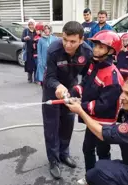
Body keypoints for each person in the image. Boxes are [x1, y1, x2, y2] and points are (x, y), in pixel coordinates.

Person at [65, 76, 128, 185]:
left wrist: (81, 111)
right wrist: (80, 102)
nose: (122, 97)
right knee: (101, 167)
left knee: (100, 171)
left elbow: (103, 134)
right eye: (123, 92)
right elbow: (107, 115)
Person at [67, 30, 125, 184]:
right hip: (91, 119)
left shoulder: (113, 77)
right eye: (95, 45)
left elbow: (103, 106)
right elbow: (85, 83)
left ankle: (103, 179)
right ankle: (90, 178)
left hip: (104, 124)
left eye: (100, 47)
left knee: (103, 153)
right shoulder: (95, 65)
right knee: (87, 149)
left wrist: (81, 106)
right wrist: (74, 91)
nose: (95, 49)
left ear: (111, 51)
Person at [41, 21, 93, 179]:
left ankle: (64, 154)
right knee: (52, 128)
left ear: (81, 40)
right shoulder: (54, 50)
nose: (67, 45)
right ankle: (54, 160)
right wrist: (57, 86)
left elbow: (87, 77)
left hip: (71, 90)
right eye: (64, 39)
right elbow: (49, 76)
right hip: (52, 90)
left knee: (67, 125)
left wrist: (80, 91)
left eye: (72, 41)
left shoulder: (87, 52)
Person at [21, 19, 37, 83]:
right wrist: (25, 38)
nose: (31, 26)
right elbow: (22, 39)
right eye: (29, 24)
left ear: (34, 24)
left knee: (36, 64)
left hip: (36, 50)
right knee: (29, 64)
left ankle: (36, 79)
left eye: (32, 24)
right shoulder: (26, 30)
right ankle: (29, 78)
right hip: (28, 50)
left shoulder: (36, 31)